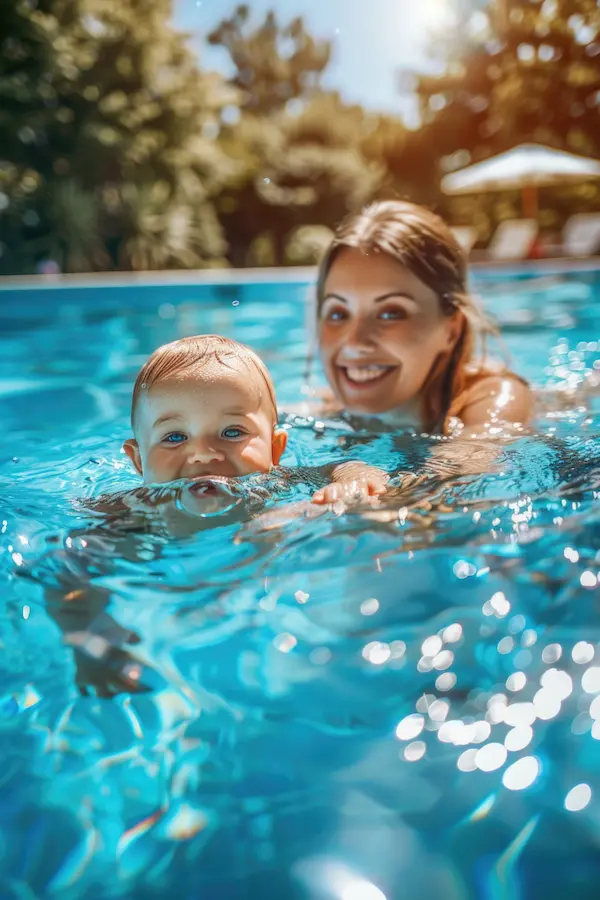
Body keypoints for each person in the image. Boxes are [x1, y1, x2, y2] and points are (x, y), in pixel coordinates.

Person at [309, 200, 534, 502]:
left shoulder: (494, 398)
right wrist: (346, 470)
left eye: (391, 312)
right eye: (337, 313)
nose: (354, 341)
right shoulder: (323, 413)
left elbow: (451, 487)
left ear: (450, 330)